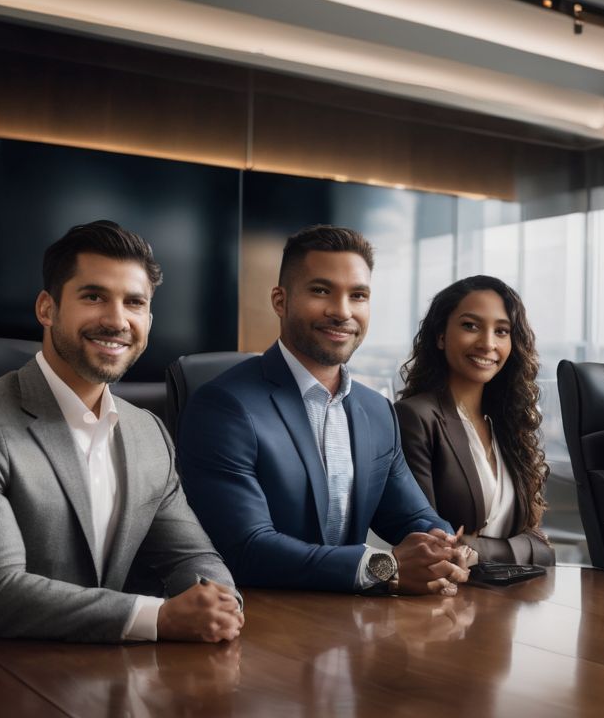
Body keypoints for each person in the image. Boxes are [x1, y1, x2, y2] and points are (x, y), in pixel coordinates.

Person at [0, 220, 242, 643]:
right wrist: (159, 618)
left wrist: (220, 602)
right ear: (47, 308)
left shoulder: (148, 432)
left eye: (134, 303)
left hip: (109, 675)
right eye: (94, 296)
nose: (117, 320)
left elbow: (192, 557)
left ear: (149, 318)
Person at [177, 225, 471, 596]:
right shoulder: (224, 407)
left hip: (348, 622)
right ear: (280, 301)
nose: (342, 311)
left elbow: (412, 516)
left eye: (358, 295)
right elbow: (245, 549)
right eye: (321, 291)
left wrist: (442, 547)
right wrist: (384, 567)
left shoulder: (377, 411)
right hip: (260, 623)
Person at [395, 276, 554, 566]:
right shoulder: (416, 418)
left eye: (502, 331)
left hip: (512, 603)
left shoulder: (507, 424)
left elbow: (543, 549)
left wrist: (475, 547)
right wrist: (518, 548)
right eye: (470, 326)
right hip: (444, 602)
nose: (487, 343)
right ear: (441, 336)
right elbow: (432, 544)